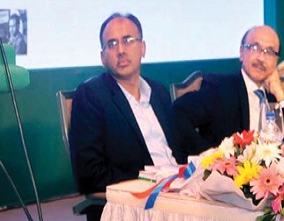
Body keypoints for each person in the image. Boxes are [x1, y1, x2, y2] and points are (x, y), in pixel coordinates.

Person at [69, 13, 194, 194]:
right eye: (112, 44)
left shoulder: (158, 92)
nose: (121, 50)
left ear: (143, 48)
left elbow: (180, 152)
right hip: (140, 201)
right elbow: (89, 175)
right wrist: (152, 181)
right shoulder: (91, 96)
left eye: (128, 40)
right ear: (103, 58)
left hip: (182, 189)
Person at [172, 25, 284, 148]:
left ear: (276, 61)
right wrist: (206, 154)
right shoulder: (219, 88)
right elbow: (178, 114)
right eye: (255, 48)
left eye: (269, 52)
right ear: (242, 52)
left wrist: (280, 95)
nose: (261, 58)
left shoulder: (273, 95)